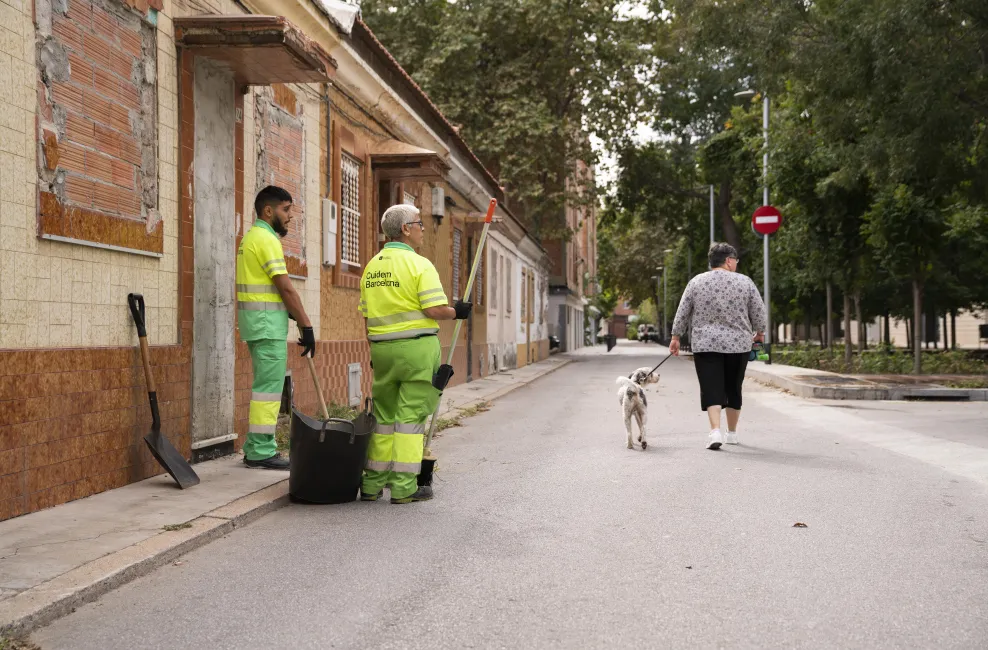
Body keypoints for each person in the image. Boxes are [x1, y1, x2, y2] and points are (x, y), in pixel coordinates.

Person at [359, 203, 471, 504]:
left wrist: (374, 347)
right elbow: (433, 309)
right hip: (416, 349)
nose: (423, 229)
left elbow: (366, 315)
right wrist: (457, 311)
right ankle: (404, 487)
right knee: (409, 418)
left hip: (382, 350)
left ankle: (371, 485)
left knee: (383, 418)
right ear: (406, 229)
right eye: (419, 223)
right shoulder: (420, 265)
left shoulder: (371, 267)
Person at [236, 186, 316, 470]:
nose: (290, 216)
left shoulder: (251, 238)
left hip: (258, 324)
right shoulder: (267, 240)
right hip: (266, 326)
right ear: (268, 211)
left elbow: (268, 290)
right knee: (268, 390)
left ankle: (253, 446)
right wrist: (306, 324)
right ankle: (260, 451)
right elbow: (285, 287)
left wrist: (293, 316)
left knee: (264, 387)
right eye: (286, 209)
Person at [669, 243, 766, 450]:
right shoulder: (745, 282)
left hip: (705, 344)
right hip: (738, 345)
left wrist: (676, 336)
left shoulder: (696, 282)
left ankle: (714, 431)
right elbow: (758, 311)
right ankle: (731, 434)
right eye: (736, 261)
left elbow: (683, 310)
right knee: (734, 387)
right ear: (729, 261)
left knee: (711, 387)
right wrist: (760, 332)